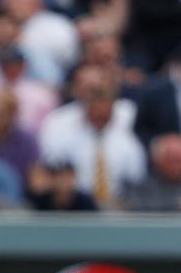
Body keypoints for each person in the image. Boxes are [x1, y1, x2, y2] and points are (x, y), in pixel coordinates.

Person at [39, 66, 146, 206]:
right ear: (86, 108)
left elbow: (136, 176)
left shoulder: (127, 133)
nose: (100, 118)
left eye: (105, 115)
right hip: (76, 206)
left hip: (118, 206)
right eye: (96, 114)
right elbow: (50, 169)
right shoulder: (61, 127)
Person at [126, 133, 181, 211]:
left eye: (179, 160)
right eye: (172, 160)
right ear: (157, 161)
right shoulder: (142, 188)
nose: (178, 166)